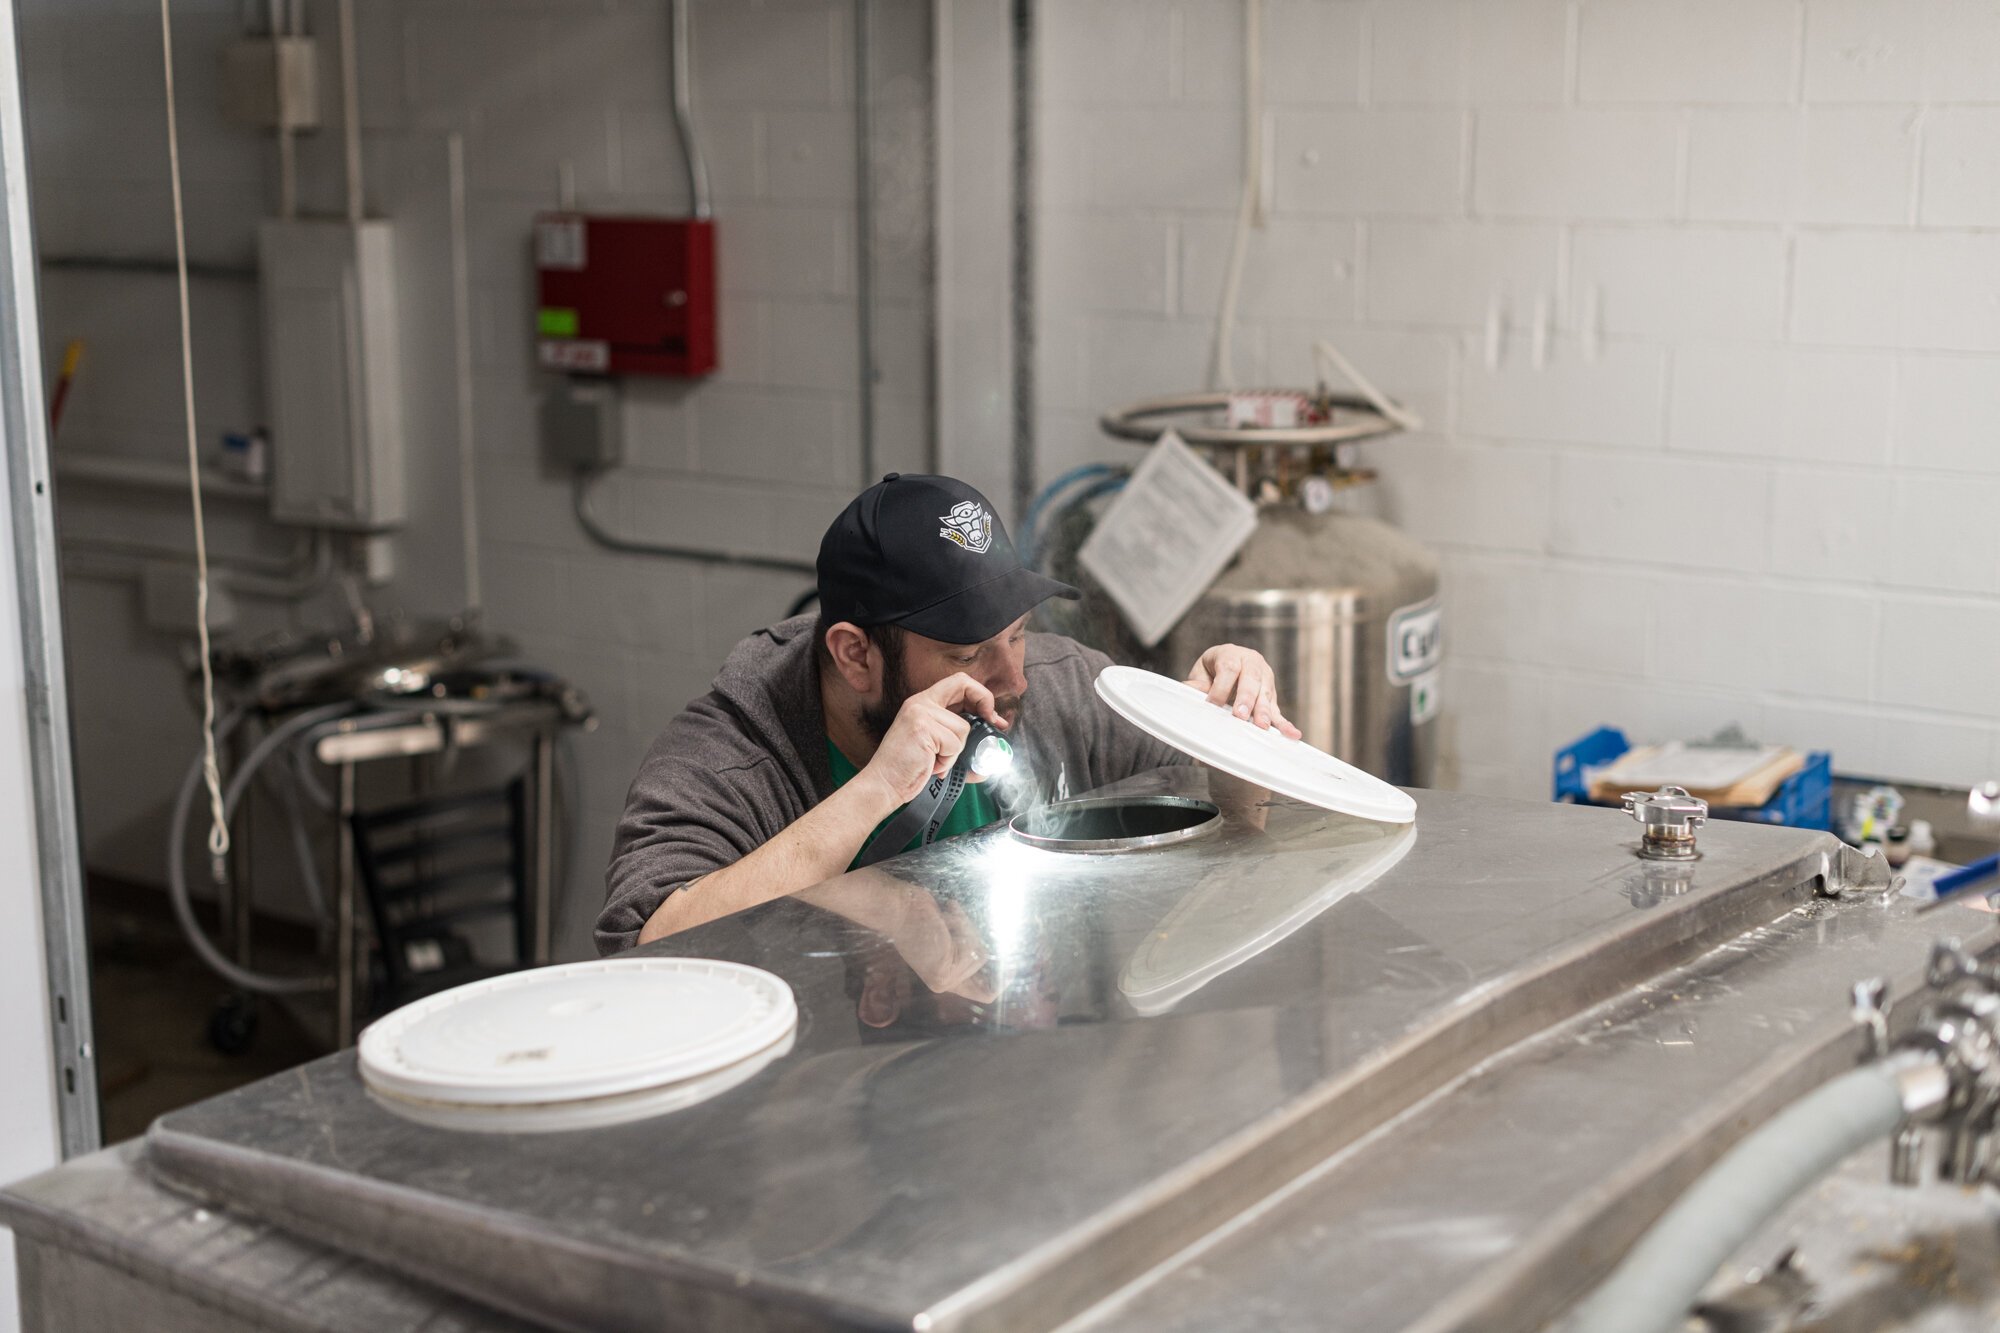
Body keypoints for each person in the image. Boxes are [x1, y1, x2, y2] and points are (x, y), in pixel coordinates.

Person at [596, 473, 1299, 953]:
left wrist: (1228, 728)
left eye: (1017, 633)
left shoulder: (1056, 686)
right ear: (855, 655)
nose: (1012, 677)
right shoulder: (734, 755)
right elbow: (650, 943)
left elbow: (1238, 834)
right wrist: (876, 790)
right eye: (966, 653)